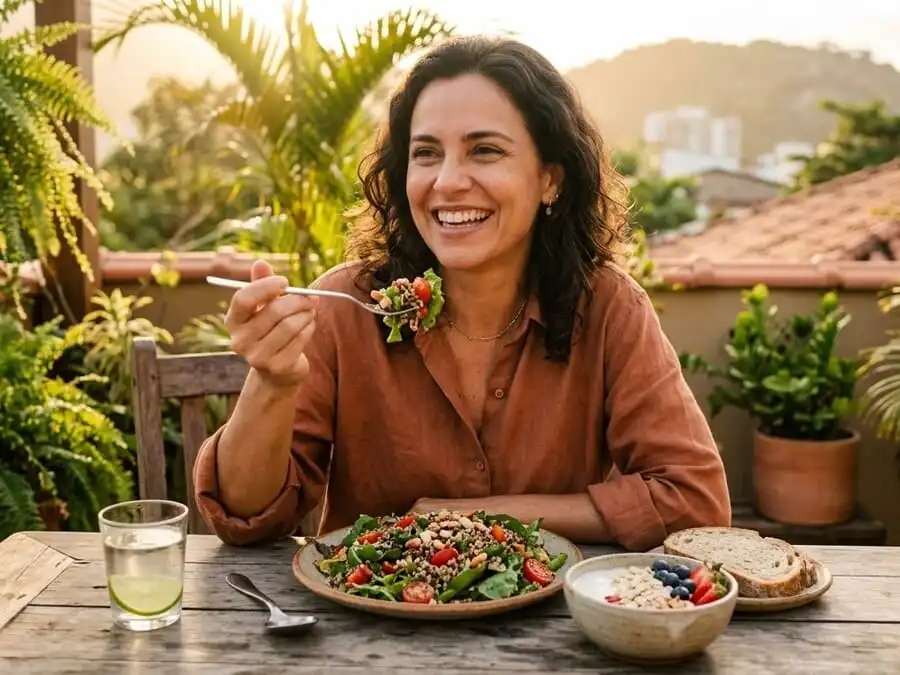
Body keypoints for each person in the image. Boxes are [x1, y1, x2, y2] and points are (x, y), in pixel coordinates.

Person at [193, 35, 730, 551]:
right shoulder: (346, 305)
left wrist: (489, 515)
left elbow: (694, 500)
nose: (448, 181)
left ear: (550, 180)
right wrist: (272, 380)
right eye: (426, 153)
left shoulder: (609, 307)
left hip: (547, 626)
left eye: (485, 151)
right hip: (365, 627)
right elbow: (246, 517)